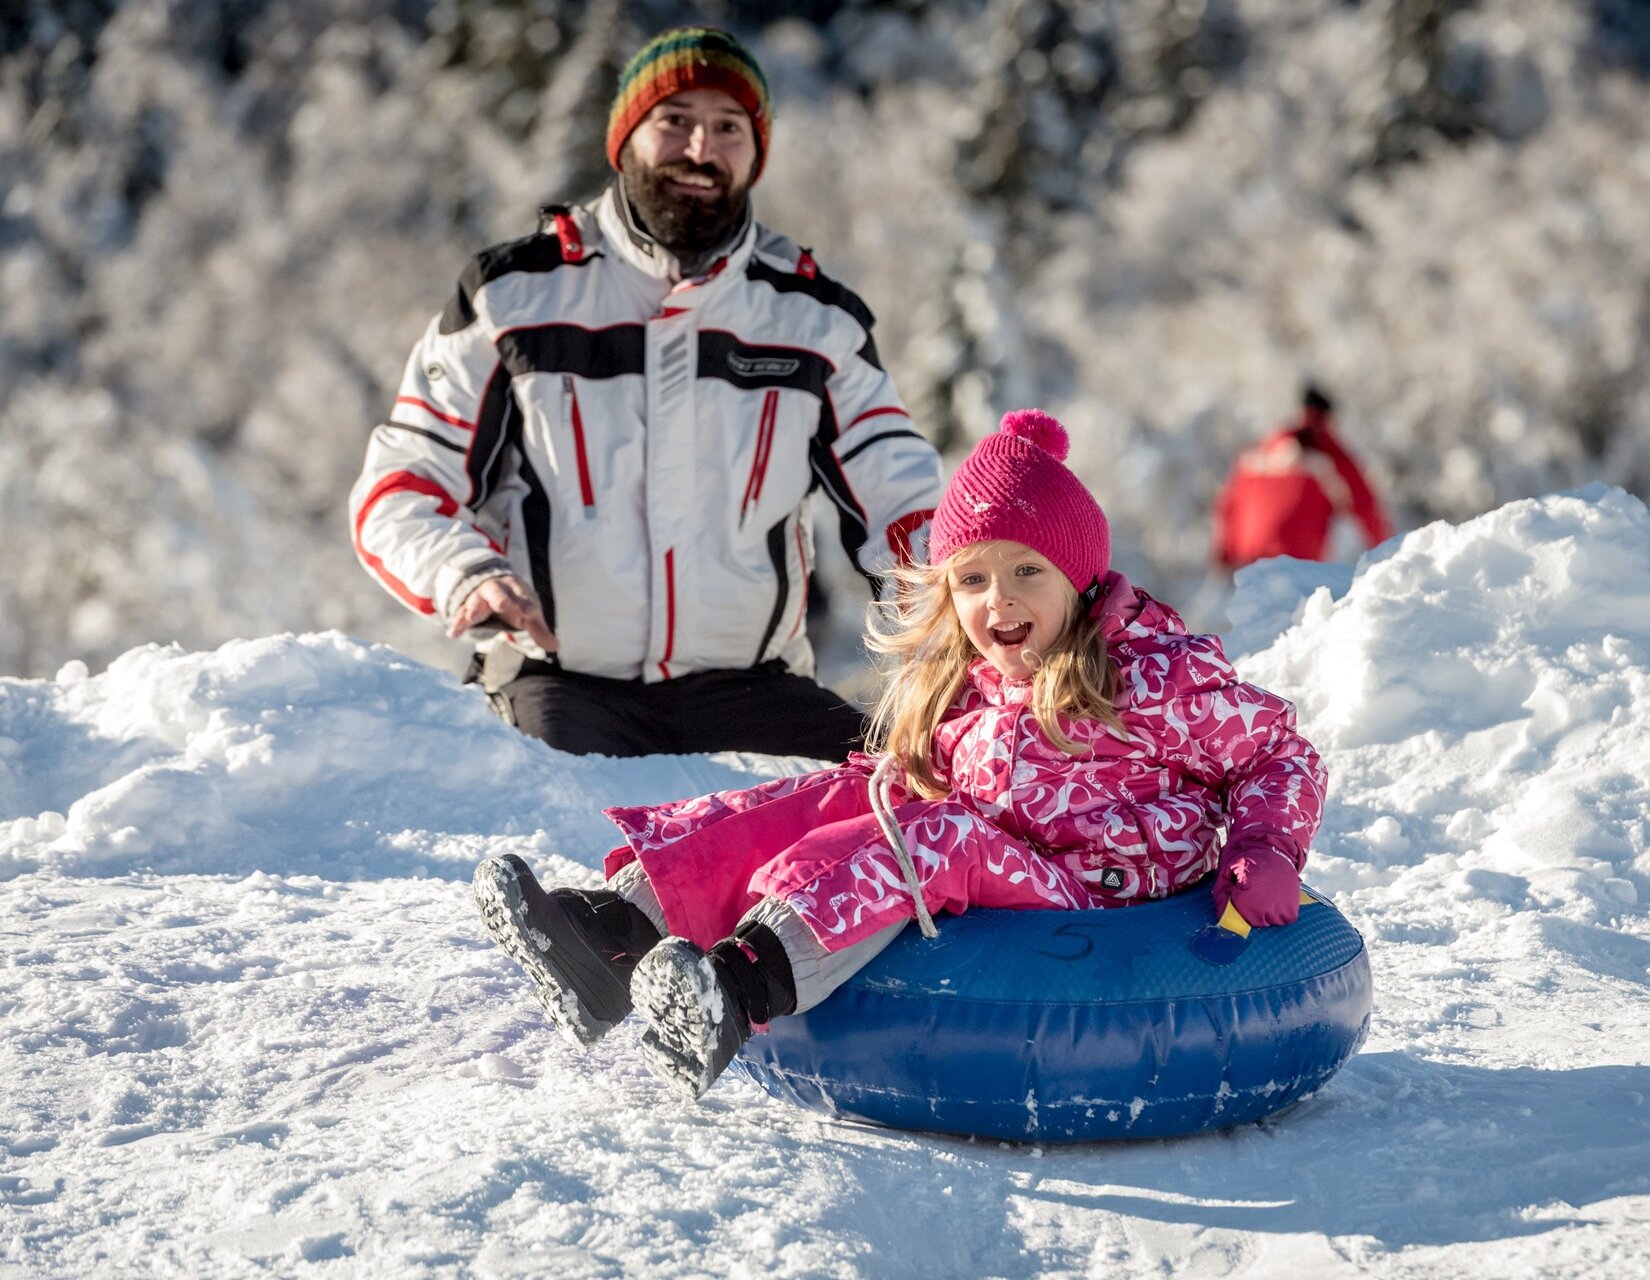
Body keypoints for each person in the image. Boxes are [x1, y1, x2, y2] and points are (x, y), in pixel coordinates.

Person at [471, 409, 1328, 1099]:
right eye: (973, 578)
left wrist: (1265, 847)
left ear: (1079, 576)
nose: (1001, 600)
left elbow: (1279, 753)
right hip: (999, 856)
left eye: (1029, 570)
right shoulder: (968, 681)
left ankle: (739, 988)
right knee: (847, 795)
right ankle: (617, 934)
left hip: (1095, 892)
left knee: (934, 836)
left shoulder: (1152, 677)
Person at [348, 26, 941, 759]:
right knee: (568, 833)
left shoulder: (815, 320)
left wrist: (965, 604)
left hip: (754, 690)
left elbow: (903, 496)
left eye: (729, 128)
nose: (700, 150)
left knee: (895, 804)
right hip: (558, 685)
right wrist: (463, 572)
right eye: (675, 122)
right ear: (625, 139)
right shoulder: (513, 297)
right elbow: (402, 484)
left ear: (756, 156)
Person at [1211, 387, 1393, 571]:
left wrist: (1224, 555)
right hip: (1296, 560)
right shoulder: (1327, 451)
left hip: (1247, 557)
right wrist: (1388, 552)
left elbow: (1229, 506)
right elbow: (1365, 504)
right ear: (1327, 416)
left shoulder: (1260, 451)